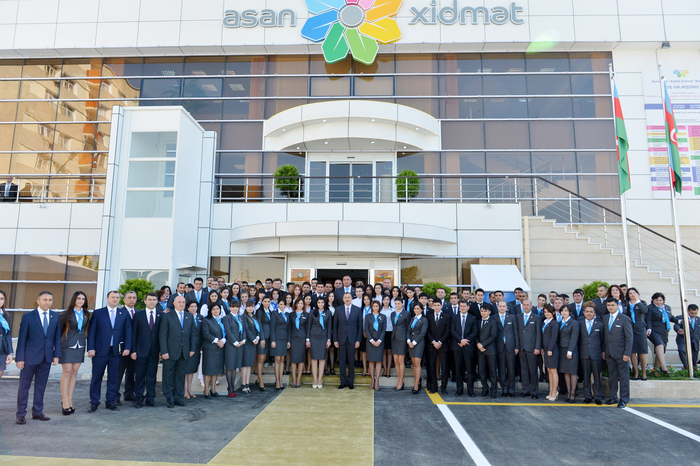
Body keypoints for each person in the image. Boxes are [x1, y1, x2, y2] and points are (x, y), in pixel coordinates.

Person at [15, 291, 61, 424]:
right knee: (24, 387)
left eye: (50, 300)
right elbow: (22, 339)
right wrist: (19, 358)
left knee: (41, 386)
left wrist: (56, 355)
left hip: (46, 358)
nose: (48, 302)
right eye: (45, 299)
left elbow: (57, 337)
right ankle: (21, 414)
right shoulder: (28, 317)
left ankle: (37, 412)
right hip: (29, 358)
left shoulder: (55, 316)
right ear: (38, 301)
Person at [87, 290, 132, 412]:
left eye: (117, 297)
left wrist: (127, 347)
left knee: (113, 378)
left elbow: (128, 331)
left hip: (116, 352)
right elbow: (91, 332)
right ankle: (94, 402)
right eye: (113, 297)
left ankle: (110, 402)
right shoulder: (98, 313)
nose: (115, 299)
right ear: (107, 299)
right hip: (100, 351)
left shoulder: (124, 313)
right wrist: (90, 348)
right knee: (97, 377)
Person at [159, 295, 198, 408]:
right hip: (170, 352)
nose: (181, 304)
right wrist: (164, 351)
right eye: (179, 302)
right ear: (174, 303)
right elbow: (163, 335)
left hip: (184, 352)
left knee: (180, 376)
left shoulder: (189, 316)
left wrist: (192, 349)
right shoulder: (167, 316)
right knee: (169, 376)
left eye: (183, 302)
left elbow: (192, 334)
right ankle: (169, 398)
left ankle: (178, 397)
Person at [59, 291, 90, 415]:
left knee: (75, 372)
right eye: (78, 298)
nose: (81, 301)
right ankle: (64, 400)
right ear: (74, 300)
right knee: (67, 372)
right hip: (67, 345)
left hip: (80, 345)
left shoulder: (86, 314)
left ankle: (70, 399)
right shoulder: (66, 314)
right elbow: (59, 331)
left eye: (83, 299)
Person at [131, 293, 163, 408]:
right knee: (139, 376)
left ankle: (150, 398)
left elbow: (162, 335)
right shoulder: (138, 315)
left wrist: (161, 351)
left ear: (157, 301)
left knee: (151, 376)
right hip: (140, 351)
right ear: (145, 301)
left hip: (154, 351)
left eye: (154, 300)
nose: (152, 301)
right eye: (149, 299)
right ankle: (139, 398)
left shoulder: (161, 315)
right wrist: (133, 351)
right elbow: (133, 334)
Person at [603, 297, 634, 408]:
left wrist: (627, 353)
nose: (610, 307)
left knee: (624, 377)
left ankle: (624, 399)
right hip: (609, 353)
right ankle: (612, 397)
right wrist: (603, 351)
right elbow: (604, 337)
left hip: (622, 353)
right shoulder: (605, 318)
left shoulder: (624, 319)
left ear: (617, 306)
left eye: (612, 305)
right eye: (608, 305)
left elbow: (629, 338)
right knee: (612, 376)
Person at [619, 286, 649, 380]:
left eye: (634, 293)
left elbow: (644, 311)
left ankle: (644, 372)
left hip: (640, 329)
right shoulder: (626, 304)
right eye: (630, 293)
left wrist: (637, 301)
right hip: (630, 329)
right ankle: (636, 372)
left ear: (637, 294)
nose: (632, 295)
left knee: (642, 352)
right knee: (632, 352)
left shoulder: (642, 303)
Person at [334, 292, 362, 389]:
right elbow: (335, 326)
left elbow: (360, 326)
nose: (347, 299)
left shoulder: (357, 310)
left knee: (351, 361)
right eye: (345, 297)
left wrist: (358, 340)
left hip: (352, 339)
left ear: (351, 299)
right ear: (343, 299)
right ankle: (343, 382)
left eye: (348, 297)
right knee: (342, 361)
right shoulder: (338, 310)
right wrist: (335, 340)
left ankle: (350, 382)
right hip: (341, 339)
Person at [579, 302, 604, 405]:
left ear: (595, 314)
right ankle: (587, 396)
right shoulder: (579, 324)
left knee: (597, 377)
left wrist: (603, 352)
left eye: (591, 312)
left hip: (596, 354)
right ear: (584, 313)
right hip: (584, 354)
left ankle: (597, 396)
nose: (589, 313)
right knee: (586, 377)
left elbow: (603, 340)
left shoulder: (600, 325)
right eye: (587, 311)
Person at [116, 290, 139, 405]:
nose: (132, 300)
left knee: (131, 373)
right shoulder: (119, 312)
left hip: (134, 349)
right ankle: (115, 396)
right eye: (129, 297)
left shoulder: (139, 312)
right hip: (122, 349)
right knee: (119, 373)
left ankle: (129, 394)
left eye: (134, 297)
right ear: (124, 300)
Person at [451, 300, 477, 397]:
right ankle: (459, 390)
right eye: (460, 306)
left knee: (470, 370)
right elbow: (452, 330)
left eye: (464, 306)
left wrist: (465, 340)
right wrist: (460, 340)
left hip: (468, 347)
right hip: (457, 346)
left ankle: (470, 390)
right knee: (458, 370)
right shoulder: (454, 317)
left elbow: (474, 332)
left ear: (468, 307)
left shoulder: (473, 318)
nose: (462, 308)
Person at [517, 299, 542, 399]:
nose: (526, 306)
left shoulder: (536, 318)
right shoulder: (518, 317)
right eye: (524, 305)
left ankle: (534, 391)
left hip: (532, 349)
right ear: (522, 306)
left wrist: (537, 347)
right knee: (524, 370)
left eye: (528, 305)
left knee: (533, 371)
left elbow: (539, 334)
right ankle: (525, 390)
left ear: (531, 306)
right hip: (522, 348)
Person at [645, 291, 674, 376]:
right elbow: (648, 319)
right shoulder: (650, 308)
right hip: (654, 331)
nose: (658, 302)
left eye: (660, 300)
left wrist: (679, 321)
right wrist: (649, 328)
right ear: (653, 300)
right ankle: (663, 366)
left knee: (662, 350)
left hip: (664, 332)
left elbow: (671, 317)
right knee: (659, 344)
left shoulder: (667, 308)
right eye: (656, 300)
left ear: (663, 300)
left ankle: (656, 369)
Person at [426, 299, 451, 395]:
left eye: (438, 305)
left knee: (444, 367)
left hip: (443, 345)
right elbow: (427, 331)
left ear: (441, 306)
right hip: (431, 345)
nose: (436, 307)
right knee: (431, 366)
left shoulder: (446, 317)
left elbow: (448, 331)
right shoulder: (428, 317)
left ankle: (444, 387)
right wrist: (433, 342)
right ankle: (434, 386)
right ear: (432, 306)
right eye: (434, 305)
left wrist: (440, 342)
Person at [201, 303, 226, 398]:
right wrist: (216, 341)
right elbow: (205, 333)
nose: (216, 311)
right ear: (210, 311)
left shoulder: (222, 320)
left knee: (216, 369)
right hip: (210, 348)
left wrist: (223, 340)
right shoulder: (207, 320)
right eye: (214, 309)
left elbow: (225, 333)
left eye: (217, 309)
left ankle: (213, 389)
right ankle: (206, 389)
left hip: (220, 348)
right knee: (208, 370)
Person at [495, 300, 519, 397]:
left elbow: (516, 332)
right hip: (499, 347)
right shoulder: (494, 318)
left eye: (504, 306)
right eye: (500, 306)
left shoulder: (512, 317)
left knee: (511, 369)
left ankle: (511, 389)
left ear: (506, 307)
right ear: (497, 307)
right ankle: (504, 389)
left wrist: (517, 346)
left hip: (510, 347)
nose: (502, 307)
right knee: (501, 370)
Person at [307, 296, 332, 389]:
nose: (320, 304)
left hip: (323, 337)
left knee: (322, 358)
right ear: (316, 304)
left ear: (324, 303)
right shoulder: (312, 312)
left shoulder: (328, 313)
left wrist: (329, 339)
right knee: (314, 359)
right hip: (313, 337)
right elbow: (309, 326)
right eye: (319, 303)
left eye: (322, 302)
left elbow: (329, 327)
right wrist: (307, 339)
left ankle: (320, 379)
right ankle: (314, 379)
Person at [222, 302, 244, 396]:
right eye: (233, 307)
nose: (235, 309)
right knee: (230, 367)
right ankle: (230, 387)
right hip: (231, 345)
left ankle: (232, 386)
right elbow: (228, 331)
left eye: (237, 307)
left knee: (235, 366)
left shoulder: (240, 317)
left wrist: (243, 340)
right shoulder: (226, 318)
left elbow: (243, 330)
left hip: (239, 344)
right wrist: (235, 342)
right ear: (230, 308)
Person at [558, 306, 580, 403]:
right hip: (562, 350)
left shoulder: (574, 323)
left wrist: (570, 351)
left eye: (566, 311)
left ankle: (572, 393)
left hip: (571, 350)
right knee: (566, 372)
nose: (564, 312)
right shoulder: (559, 323)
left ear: (570, 312)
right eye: (562, 311)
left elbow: (574, 338)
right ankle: (568, 392)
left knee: (572, 372)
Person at [476, 304, 498, 398]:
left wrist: (483, 345)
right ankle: (485, 388)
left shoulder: (493, 322)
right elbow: (475, 334)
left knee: (492, 372)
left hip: (490, 350)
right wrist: (478, 344)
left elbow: (493, 336)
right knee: (482, 371)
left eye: (485, 311)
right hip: (480, 350)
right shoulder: (478, 322)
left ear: (489, 312)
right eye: (482, 311)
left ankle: (494, 390)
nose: (483, 313)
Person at [365, 300, 386, 391]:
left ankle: (377, 380)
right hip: (370, 342)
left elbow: (383, 330)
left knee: (378, 361)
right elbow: (366, 329)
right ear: (372, 307)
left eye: (377, 306)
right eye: (374, 306)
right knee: (371, 361)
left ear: (379, 307)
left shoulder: (383, 317)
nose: (375, 308)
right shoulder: (368, 316)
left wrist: (379, 340)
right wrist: (372, 340)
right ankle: (372, 380)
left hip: (379, 342)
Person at [408, 302, 428, 394]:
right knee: (414, 363)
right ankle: (417, 380)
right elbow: (408, 330)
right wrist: (409, 341)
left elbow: (422, 333)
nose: (416, 310)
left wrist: (414, 342)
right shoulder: (413, 318)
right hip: (411, 343)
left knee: (417, 363)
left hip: (418, 343)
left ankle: (416, 384)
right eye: (415, 308)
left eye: (418, 309)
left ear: (421, 310)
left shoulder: (424, 320)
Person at [241, 302, 261, 393]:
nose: (250, 308)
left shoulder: (254, 317)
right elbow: (246, 329)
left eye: (252, 307)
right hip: (247, 343)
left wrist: (257, 337)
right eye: (248, 306)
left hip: (253, 343)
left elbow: (257, 329)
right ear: (245, 307)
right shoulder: (243, 317)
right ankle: (243, 384)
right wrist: (253, 339)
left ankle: (247, 383)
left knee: (249, 365)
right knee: (245, 364)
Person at [268, 299, 288, 390]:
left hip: (284, 339)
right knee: (277, 359)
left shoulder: (287, 314)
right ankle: (277, 381)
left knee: (282, 359)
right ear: (278, 305)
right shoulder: (274, 313)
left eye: (284, 304)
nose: (282, 305)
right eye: (281, 304)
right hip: (276, 339)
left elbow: (288, 329)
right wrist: (273, 340)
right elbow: (272, 328)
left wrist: (288, 341)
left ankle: (281, 380)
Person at [541, 305, 559, 401]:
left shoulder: (554, 323)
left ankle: (555, 391)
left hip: (552, 350)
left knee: (553, 371)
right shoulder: (545, 322)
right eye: (545, 312)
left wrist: (550, 349)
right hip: (546, 349)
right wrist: (543, 348)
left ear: (553, 313)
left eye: (548, 312)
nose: (546, 314)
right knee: (549, 371)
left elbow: (554, 337)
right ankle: (551, 391)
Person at [289, 298, 308, 388]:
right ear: (295, 304)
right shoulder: (291, 315)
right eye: (298, 303)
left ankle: (299, 379)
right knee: (293, 359)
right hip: (293, 338)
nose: (300, 305)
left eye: (302, 303)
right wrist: (288, 340)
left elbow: (307, 328)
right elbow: (288, 329)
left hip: (302, 338)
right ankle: (293, 379)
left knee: (300, 359)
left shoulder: (306, 315)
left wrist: (307, 340)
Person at [390, 297, 409, 391]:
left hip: (402, 339)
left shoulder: (407, 313)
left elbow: (409, 327)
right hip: (394, 339)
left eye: (399, 303)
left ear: (402, 304)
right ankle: (399, 380)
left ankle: (401, 382)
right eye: (395, 303)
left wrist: (408, 339)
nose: (397, 305)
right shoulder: (393, 314)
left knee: (401, 361)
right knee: (396, 361)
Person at [675, 304, 700, 372]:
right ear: (688, 311)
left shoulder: (698, 319)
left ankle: (693, 370)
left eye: (695, 313)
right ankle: (687, 368)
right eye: (692, 313)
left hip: (695, 341)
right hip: (683, 339)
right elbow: (676, 326)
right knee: (682, 350)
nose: (694, 315)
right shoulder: (681, 317)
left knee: (694, 357)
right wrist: (679, 330)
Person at [254, 296, 272, 391]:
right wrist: (262, 338)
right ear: (262, 302)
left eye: (268, 301)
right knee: (261, 359)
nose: (267, 303)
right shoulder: (259, 311)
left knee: (264, 358)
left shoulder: (270, 311)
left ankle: (257, 379)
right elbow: (259, 325)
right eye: (265, 301)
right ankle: (260, 380)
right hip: (263, 338)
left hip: (269, 338)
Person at [0, 290, 13, 380]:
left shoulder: (6, 315)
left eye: (1, 299)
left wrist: (10, 352)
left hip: (2, 351)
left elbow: (8, 334)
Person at [359, 293, 372, 377]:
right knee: (363, 351)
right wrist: (363, 331)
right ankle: (364, 368)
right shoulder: (360, 309)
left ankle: (370, 368)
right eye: (364, 299)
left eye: (368, 299)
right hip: (362, 332)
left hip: (372, 333)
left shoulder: (373, 308)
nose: (366, 301)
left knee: (370, 351)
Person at [380, 295, 393, 377]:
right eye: (384, 299)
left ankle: (388, 369)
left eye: (387, 299)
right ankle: (384, 369)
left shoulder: (393, 310)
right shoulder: (380, 310)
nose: (386, 301)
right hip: (382, 332)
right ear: (382, 301)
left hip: (390, 332)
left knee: (389, 351)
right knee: (383, 352)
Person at [326, 292, 336, 376]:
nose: (331, 297)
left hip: (334, 330)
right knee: (326, 349)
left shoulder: (337, 307)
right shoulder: (324, 306)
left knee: (332, 349)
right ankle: (325, 368)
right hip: (325, 330)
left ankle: (332, 367)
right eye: (330, 296)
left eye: (333, 296)